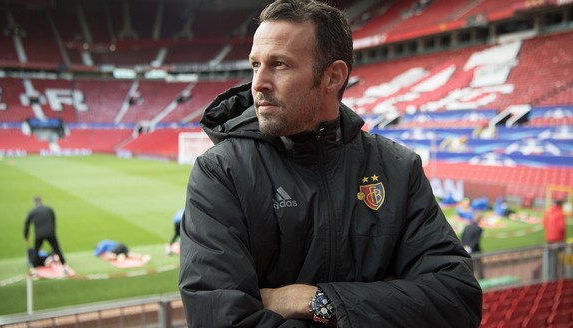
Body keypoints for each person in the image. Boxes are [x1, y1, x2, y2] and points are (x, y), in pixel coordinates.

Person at [178, 1, 482, 327]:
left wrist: (318, 301)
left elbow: (457, 298)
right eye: (255, 65)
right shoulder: (222, 173)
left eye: (279, 64)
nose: (258, 83)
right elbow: (221, 319)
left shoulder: (398, 168)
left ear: (333, 77)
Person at [24, 196, 69, 274]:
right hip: (50, 233)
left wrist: (26, 237)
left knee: (36, 251)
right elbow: (53, 222)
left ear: (34, 202)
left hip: (39, 234)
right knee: (57, 249)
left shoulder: (32, 211)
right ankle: (64, 267)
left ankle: (34, 270)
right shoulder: (49, 209)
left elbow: (27, 224)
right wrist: (54, 234)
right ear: (41, 201)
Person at [542, 199, 566, 280]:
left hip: (549, 240)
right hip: (558, 241)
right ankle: (560, 278)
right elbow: (561, 228)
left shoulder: (548, 212)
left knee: (550, 260)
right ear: (561, 205)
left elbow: (544, 224)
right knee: (561, 261)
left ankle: (550, 277)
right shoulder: (560, 214)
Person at [461, 211, 485, 279]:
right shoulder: (479, 229)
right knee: (479, 265)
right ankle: (481, 278)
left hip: (466, 248)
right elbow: (475, 240)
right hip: (475, 250)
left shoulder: (467, 227)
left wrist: (465, 246)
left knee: (468, 265)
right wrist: (470, 248)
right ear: (479, 219)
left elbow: (462, 237)